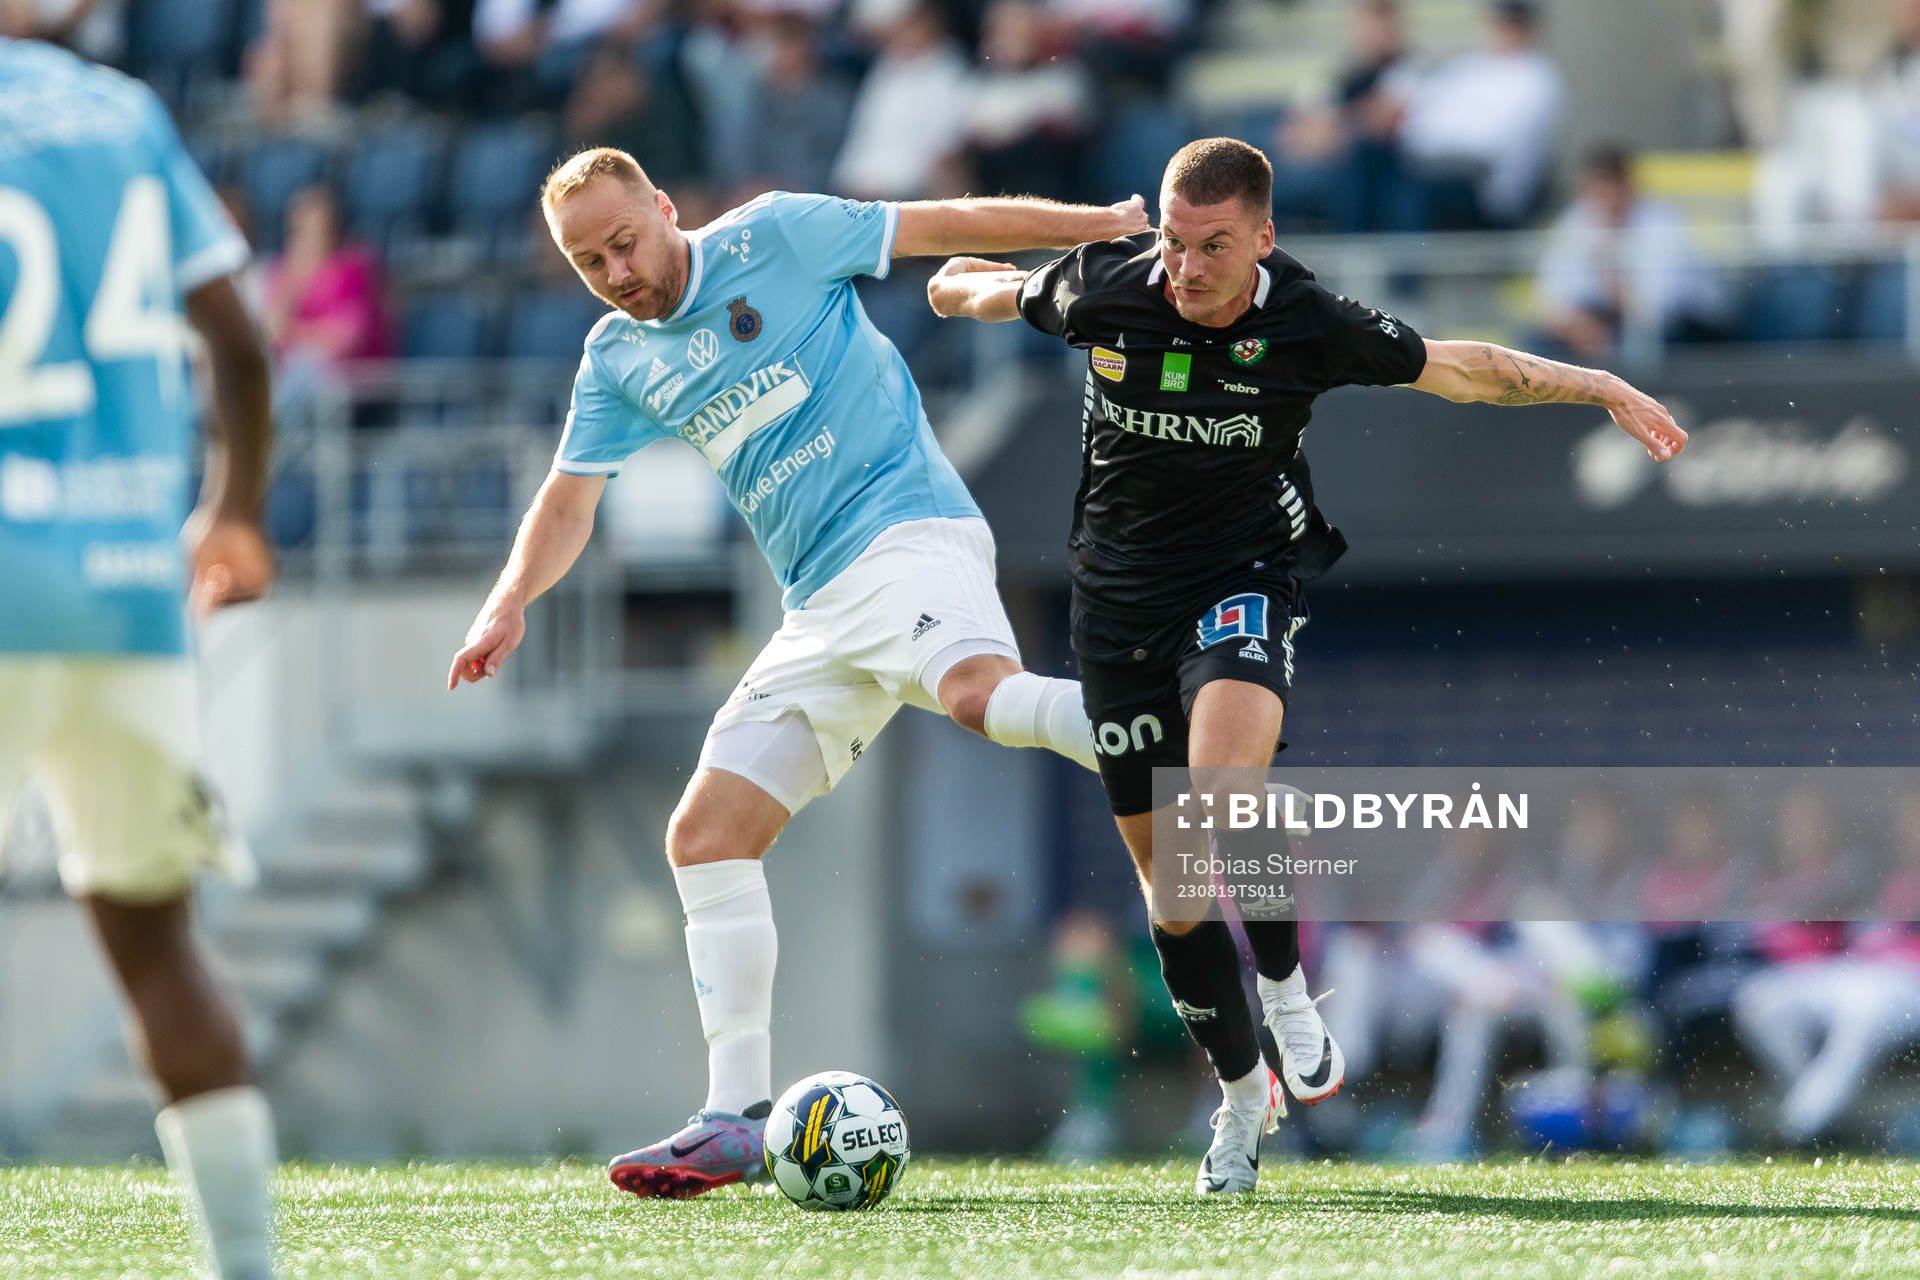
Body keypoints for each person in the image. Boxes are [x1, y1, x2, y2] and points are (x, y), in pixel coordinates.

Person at [926, 136, 1687, 1192]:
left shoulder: (1306, 318)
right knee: (1173, 893)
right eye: (1174, 241)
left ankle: (1286, 990)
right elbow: (986, 291)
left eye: (1214, 246)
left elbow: (1463, 369)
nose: (1186, 266)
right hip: (1115, 610)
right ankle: (1243, 1099)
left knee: (1222, 793)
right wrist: (955, 285)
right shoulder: (1107, 285)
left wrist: (1597, 383)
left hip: (1241, 580)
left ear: (1264, 239)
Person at [446, 146, 1147, 1198]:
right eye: (590, 262)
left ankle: (1164, 732)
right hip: (818, 607)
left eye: (624, 242)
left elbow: (940, 224)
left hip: (907, 533)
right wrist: (509, 599)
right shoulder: (618, 357)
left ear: (665, 208)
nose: (617, 272)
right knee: (706, 835)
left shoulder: (774, 235)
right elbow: (569, 496)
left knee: (974, 693)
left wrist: (1098, 224)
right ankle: (736, 1116)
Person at [0, 38, 278, 1279]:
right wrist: (236, 510)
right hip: (126, 594)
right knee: (159, 949)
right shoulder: (119, 113)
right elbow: (241, 342)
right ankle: (245, 1266)